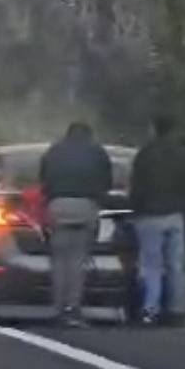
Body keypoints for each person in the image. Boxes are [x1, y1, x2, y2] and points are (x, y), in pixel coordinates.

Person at [39, 122, 113, 327]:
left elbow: (43, 179)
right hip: (85, 205)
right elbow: (106, 181)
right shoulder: (97, 152)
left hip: (58, 205)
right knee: (78, 261)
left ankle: (58, 307)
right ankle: (73, 308)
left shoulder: (54, 151)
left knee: (59, 260)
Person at [130, 114, 185, 325]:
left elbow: (136, 187)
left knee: (152, 265)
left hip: (150, 216)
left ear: (153, 129)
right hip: (175, 216)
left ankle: (151, 310)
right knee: (176, 265)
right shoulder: (183, 155)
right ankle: (177, 310)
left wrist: (135, 210)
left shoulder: (144, 155)